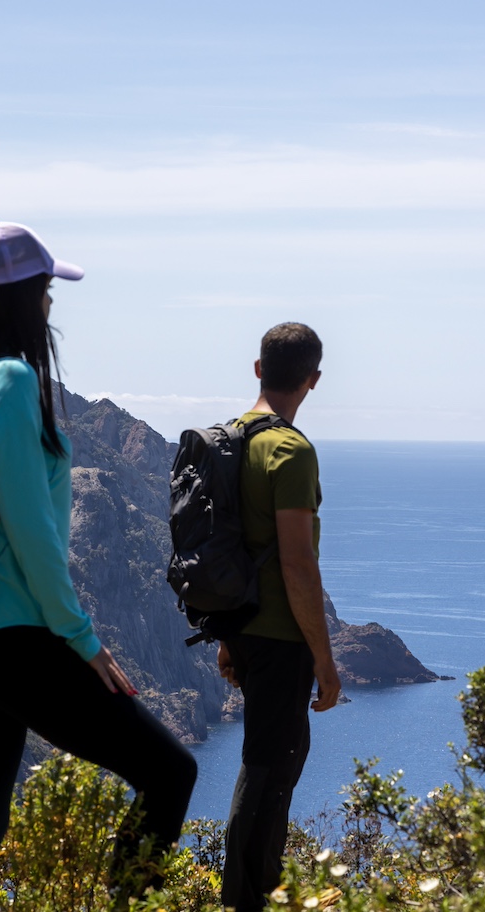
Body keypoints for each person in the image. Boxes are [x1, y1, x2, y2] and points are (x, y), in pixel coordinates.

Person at [0, 221, 196, 912]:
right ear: (21, 297)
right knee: (170, 771)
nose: (49, 306)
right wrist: (82, 640)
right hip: (7, 632)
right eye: (44, 291)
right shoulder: (8, 382)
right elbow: (32, 531)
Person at [215, 322, 342, 912]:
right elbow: (297, 565)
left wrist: (225, 635)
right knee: (269, 771)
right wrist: (324, 658)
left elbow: (224, 545)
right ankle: (248, 899)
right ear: (313, 380)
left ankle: (250, 892)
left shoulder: (230, 440)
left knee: (264, 764)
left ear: (259, 368)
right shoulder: (291, 451)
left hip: (241, 629)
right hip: (281, 638)